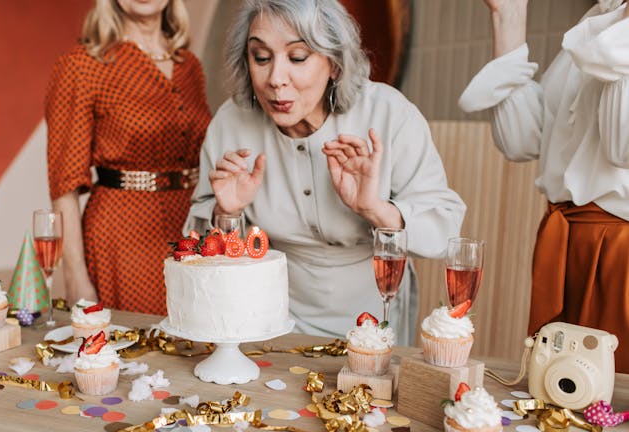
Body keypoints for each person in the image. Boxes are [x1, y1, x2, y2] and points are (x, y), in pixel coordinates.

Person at [184, 0, 465, 346]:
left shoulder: (388, 114)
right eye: (261, 57)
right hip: (271, 316)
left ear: (334, 63)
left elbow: (445, 226)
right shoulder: (231, 123)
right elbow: (196, 247)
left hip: (375, 314)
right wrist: (226, 213)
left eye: (298, 57)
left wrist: (377, 209)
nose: (275, 79)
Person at [45, 0, 210, 432]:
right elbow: (64, 182)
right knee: (125, 383)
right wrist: (76, 275)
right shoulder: (85, 62)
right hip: (120, 237)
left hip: (189, 237)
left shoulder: (190, 66)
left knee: (185, 383)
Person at [458, 0, 629, 372]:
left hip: (619, 255)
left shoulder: (615, 31)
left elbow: (623, 146)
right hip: (566, 241)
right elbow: (523, 141)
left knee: (609, 404)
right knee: (558, 392)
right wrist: (508, 15)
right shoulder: (597, 21)